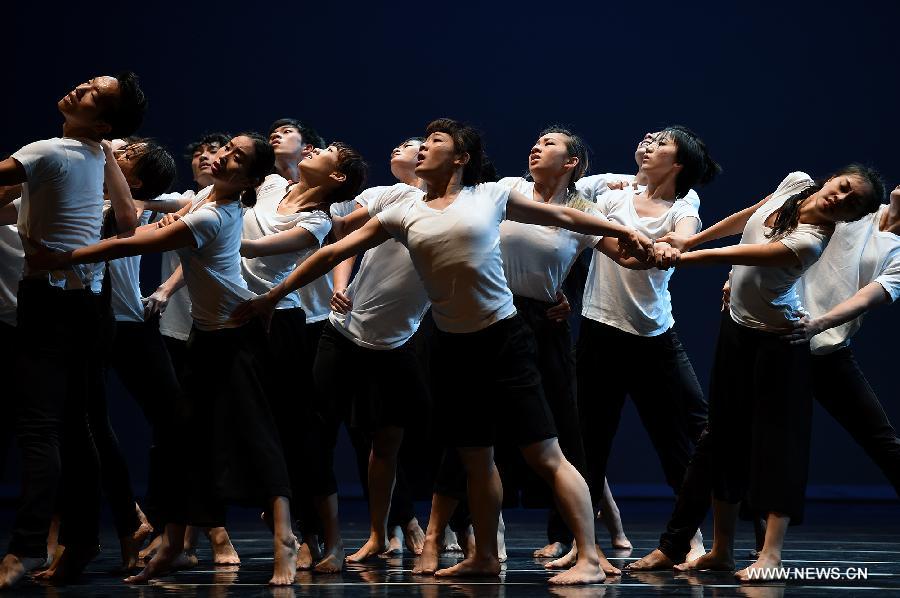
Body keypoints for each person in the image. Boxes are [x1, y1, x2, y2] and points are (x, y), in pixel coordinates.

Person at [236, 118, 654, 585]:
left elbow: (567, 216)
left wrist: (626, 233)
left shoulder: (490, 195)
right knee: (476, 458)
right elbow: (332, 252)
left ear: (460, 158)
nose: (423, 147)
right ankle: (486, 559)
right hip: (453, 346)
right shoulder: (402, 212)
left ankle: (590, 558)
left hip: (503, 339)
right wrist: (272, 296)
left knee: (545, 453)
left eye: (436, 141)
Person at [27, 133, 300, 586]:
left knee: (257, 440)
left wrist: (63, 256)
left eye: (236, 158)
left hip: (237, 336)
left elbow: (130, 244)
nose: (221, 157)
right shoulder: (207, 196)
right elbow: (152, 204)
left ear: (251, 178)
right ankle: (173, 546)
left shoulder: (213, 213)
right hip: (206, 337)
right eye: (224, 149)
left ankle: (284, 542)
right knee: (184, 442)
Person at [662, 165, 884, 580]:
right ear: (833, 178)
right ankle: (722, 550)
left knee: (776, 446)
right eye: (843, 187)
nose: (839, 198)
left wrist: (683, 255)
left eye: (851, 204)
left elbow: (744, 254)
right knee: (723, 437)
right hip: (737, 328)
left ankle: (771, 556)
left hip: (779, 340)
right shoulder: (797, 183)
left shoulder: (810, 242)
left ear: (850, 218)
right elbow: (750, 219)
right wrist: (693, 237)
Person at [0, 72, 148, 589]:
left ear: (101, 119)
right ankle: (82, 539)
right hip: (89, 304)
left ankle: (23, 547)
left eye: (91, 94)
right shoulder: (89, 155)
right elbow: (128, 221)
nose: (77, 89)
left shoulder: (49, 149)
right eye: (85, 83)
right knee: (79, 427)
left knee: (43, 427)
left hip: (50, 301)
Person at [555, 127, 717, 571]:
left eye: (661, 143)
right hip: (600, 329)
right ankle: (582, 542)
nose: (647, 144)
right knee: (590, 442)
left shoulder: (683, 205)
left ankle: (691, 538)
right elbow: (575, 223)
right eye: (646, 139)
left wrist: (669, 246)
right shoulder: (613, 192)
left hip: (653, 336)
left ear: (678, 163)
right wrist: (557, 288)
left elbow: (682, 234)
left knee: (678, 442)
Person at [241, 138, 367, 574]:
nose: (317, 149)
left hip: (284, 327)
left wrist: (204, 235)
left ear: (337, 177)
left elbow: (250, 249)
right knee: (260, 434)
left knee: (302, 437)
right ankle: (295, 530)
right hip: (241, 319)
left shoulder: (316, 221)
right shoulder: (272, 185)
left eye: (331, 150)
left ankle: (329, 538)